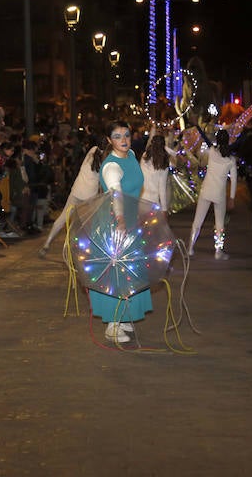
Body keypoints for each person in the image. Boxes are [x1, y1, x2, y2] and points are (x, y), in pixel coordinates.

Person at [91, 120, 150, 344]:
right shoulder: (111, 166)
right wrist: (122, 221)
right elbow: (115, 194)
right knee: (116, 273)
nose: (123, 140)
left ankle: (123, 317)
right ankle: (112, 325)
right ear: (109, 140)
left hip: (132, 219)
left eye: (126, 134)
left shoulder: (132, 156)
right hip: (116, 222)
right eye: (117, 136)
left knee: (130, 271)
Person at [38, 136, 103, 257]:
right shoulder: (107, 160)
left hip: (77, 191)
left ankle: (46, 244)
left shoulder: (92, 151)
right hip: (90, 196)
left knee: (63, 217)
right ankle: (79, 251)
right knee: (85, 225)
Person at [186, 127, 237, 260]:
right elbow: (234, 180)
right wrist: (232, 198)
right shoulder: (231, 160)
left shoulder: (212, 152)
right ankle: (218, 251)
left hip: (206, 191)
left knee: (197, 221)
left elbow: (206, 141)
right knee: (219, 224)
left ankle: (190, 248)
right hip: (219, 194)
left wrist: (197, 127)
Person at [140, 131, 173, 211]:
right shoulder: (163, 162)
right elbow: (162, 188)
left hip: (141, 197)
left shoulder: (145, 156)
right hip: (154, 201)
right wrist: (164, 209)